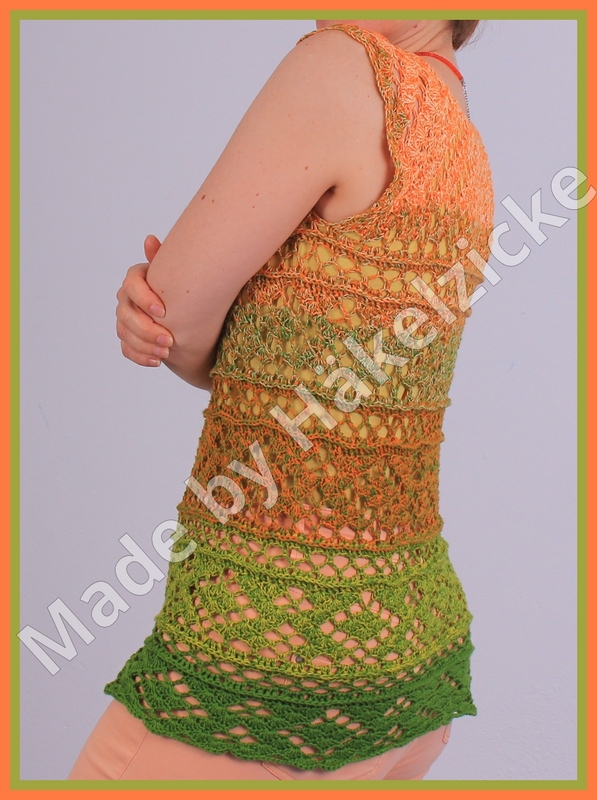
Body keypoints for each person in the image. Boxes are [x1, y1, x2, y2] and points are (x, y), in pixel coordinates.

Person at [67, 17, 493, 781]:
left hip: (273, 667)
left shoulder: (343, 65)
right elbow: (326, 389)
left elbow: (174, 319)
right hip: (409, 666)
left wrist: (163, 306)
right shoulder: (457, 124)